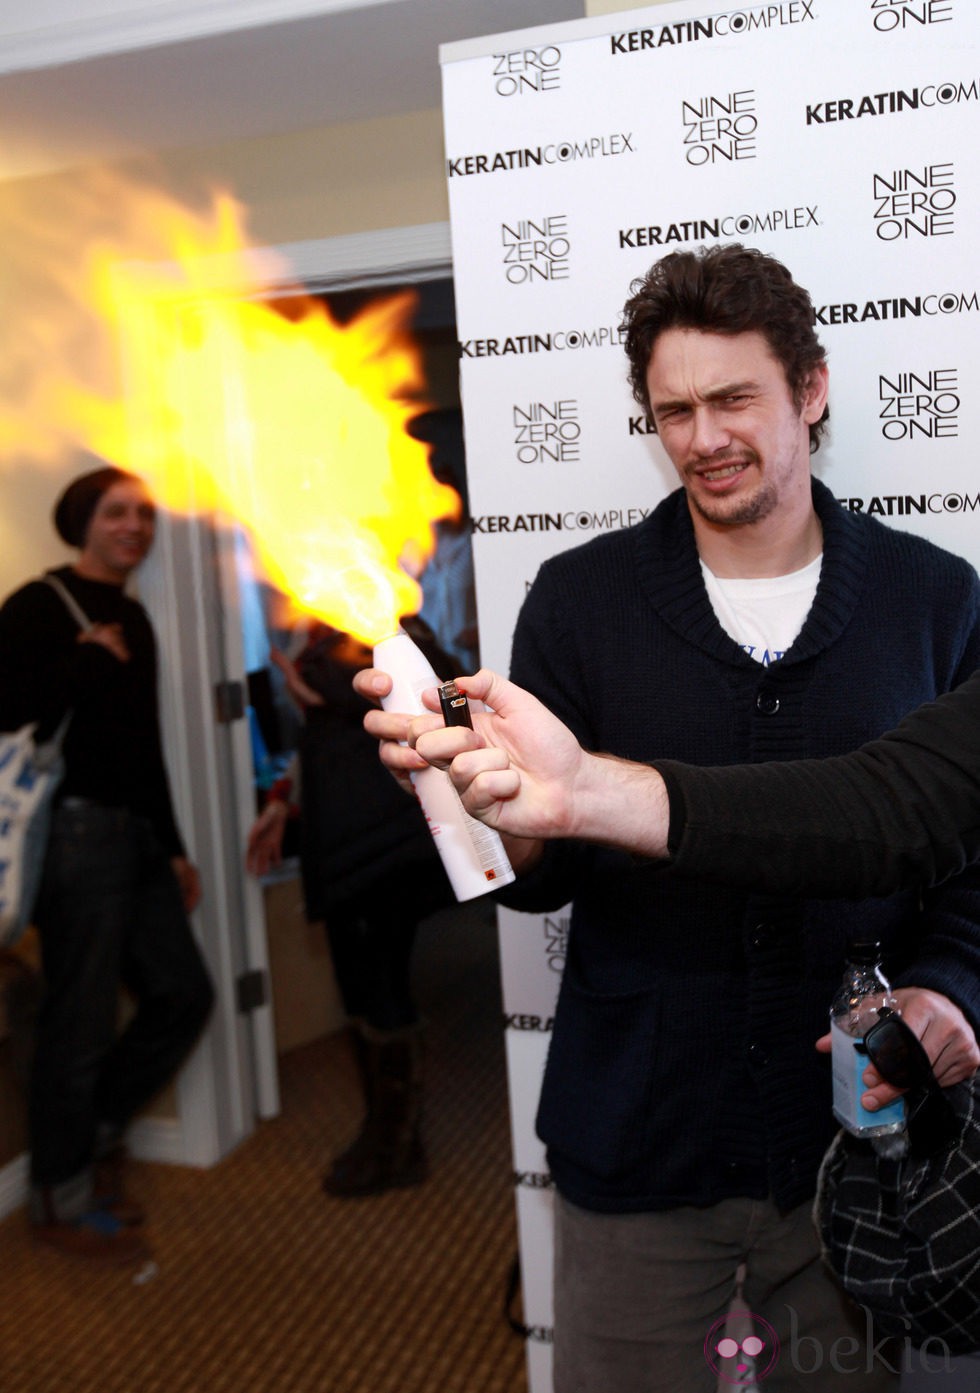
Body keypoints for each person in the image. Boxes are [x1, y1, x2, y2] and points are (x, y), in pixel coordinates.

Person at [355, 244, 980, 1391]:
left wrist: (944, 988)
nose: (701, 437)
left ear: (810, 388)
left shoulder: (933, 598)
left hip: (853, 1150)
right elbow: (543, 871)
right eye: (672, 410)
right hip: (637, 1140)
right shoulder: (581, 598)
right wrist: (485, 810)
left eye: (733, 398)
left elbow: (966, 854)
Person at [0, 462, 214, 1265]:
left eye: (146, 515)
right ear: (83, 520)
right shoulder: (38, 603)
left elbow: (142, 748)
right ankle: (60, 1195)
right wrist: (85, 660)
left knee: (183, 994)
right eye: (119, 512)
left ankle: (88, 1133)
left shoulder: (134, 614)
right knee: (80, 1021)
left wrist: (174, 846)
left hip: (134, 836)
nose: (136, 527)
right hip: (74, 839)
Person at [246, 617, 454, 1197]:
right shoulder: (317, 632)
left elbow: (449, 691)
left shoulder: (381, 622)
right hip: (340, 841)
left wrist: (327, 689)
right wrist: (283, 801)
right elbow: (324, 734)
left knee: (380, 991)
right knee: (361, 993)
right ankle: (385, 1136)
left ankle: (395, 1148)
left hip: (380, 849)